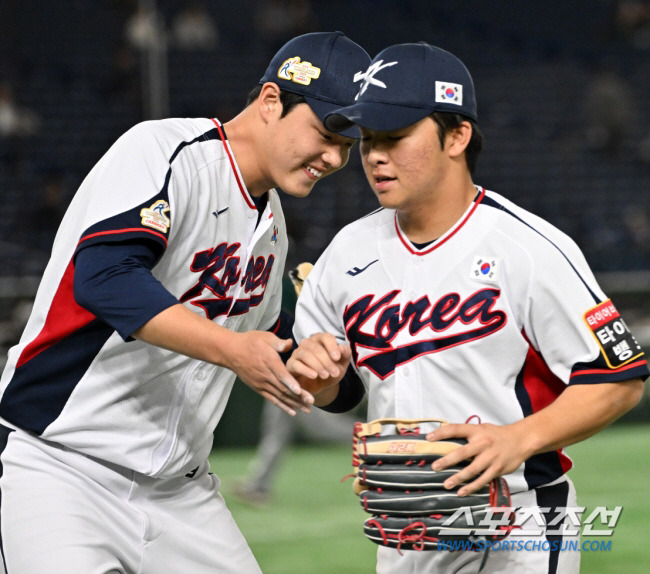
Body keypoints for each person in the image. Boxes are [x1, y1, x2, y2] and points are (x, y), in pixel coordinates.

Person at [0, 31, 370, 574]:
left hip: (180, 493)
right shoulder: (165, 152)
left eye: (349, 144)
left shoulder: (271, 228)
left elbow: (303, 363)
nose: (335, 157)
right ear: (271, 101)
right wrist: (234, 349)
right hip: (61, 467)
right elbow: (104, 277)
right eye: (326, 132)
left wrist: (325, 374)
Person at [287, 42, 648, 574]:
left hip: (520, 520)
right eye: (367, 139)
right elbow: (342, 393)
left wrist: (516, 441)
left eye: (395, 136)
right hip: (408, 527)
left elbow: (619, 378)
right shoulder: (347, 252)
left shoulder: (528, 247)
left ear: (457, 136)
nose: (374, 155)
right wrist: (319, 380)